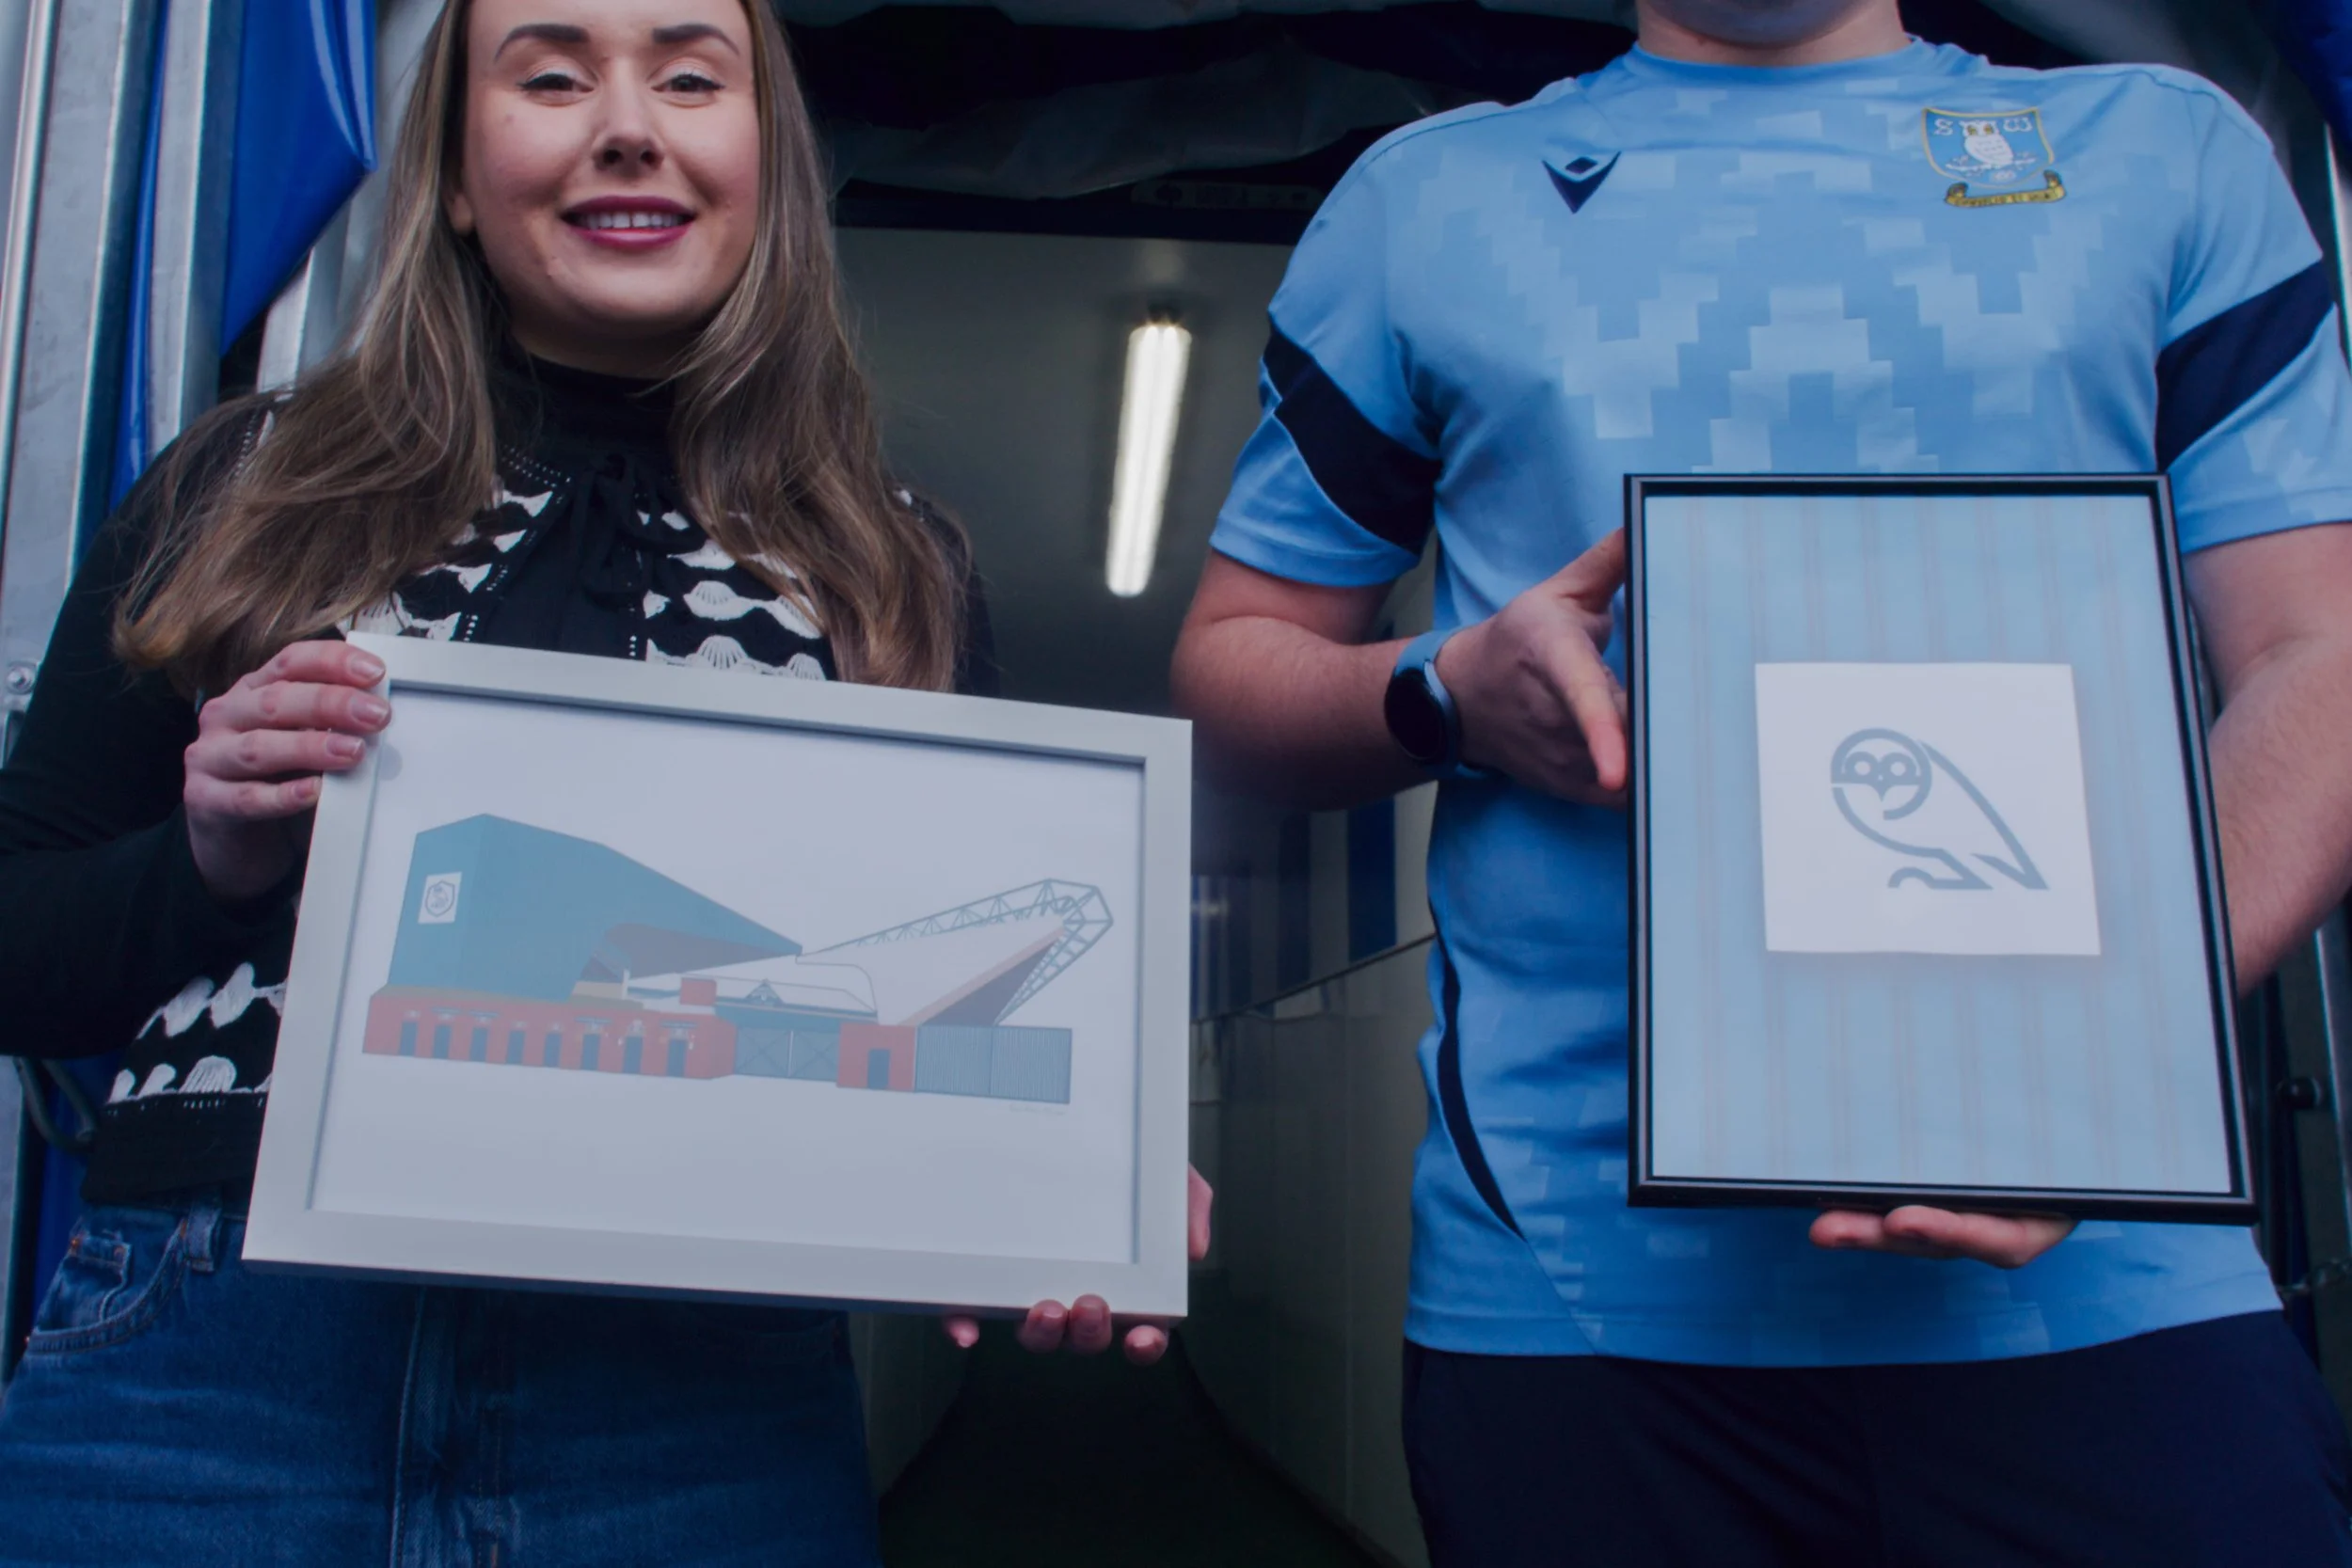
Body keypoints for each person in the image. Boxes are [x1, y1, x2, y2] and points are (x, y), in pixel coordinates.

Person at [0, 1, 1197, 1561]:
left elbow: (908, 1028)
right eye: (552, 76)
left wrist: (1069, 1179)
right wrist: (206, 855)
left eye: (691, 78)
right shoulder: (244, 485)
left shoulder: (894, 570)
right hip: (215, 1365)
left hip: (699, 1402)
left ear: (768, 162)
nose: (627, 126)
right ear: (451, 174)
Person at [1174, 1, 2352, 1563]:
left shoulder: (2167, 151)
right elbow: (1232, 672)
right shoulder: (1426, 201)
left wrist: (2106, 1065)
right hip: (1579, 1293)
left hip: (2115, 1279)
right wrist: (1449, 691)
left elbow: (2318, 655)